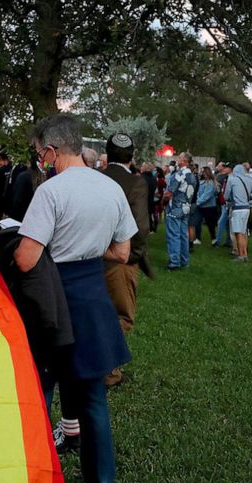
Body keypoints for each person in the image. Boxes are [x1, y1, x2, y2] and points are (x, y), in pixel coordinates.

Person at [14, 113, 135, 483]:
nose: (39, 160)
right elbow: (121, 251)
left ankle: (34, 480)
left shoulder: (50, 192)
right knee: (92, 398)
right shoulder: (111, 188)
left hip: (53, 299)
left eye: (38, 154)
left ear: (50, 151)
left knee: (40, 392)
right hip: (93, 298)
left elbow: (26, 259)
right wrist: (86, 248)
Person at [101, 132, 150, 387]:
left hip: (90, 257)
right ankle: (109, 372)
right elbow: (141, 227)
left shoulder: (95, 178)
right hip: (120, 260)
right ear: (132, 157)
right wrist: (133, 256)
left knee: (94, 312)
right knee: (120, 316)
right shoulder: (136, 183)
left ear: (107, 154)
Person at [164, 152, 196, 270]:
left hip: (175, 208)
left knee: (174, 235)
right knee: (183, 235)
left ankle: (174, 262)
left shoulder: (179, 174)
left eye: (180, 157)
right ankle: (184, 261)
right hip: (186, 207)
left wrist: (164, 201)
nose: (178, 159)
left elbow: (169, 192)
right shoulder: (193, 176)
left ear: (185, 161)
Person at [226, 161, 252, 263]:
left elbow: (226, 195)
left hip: (237, 208)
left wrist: (231, 198)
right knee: (243, 231)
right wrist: (249, 197)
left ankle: (241, 255)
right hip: (247, 208)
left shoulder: (232, 179)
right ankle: (245, 253)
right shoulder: (249, 179)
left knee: (238, 233)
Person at [192, 166, 219, 246]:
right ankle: (197, 238)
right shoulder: (200, 182)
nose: (201, 173)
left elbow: (207, 195)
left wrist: (198, 202)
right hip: (200, 206)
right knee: (197, 222)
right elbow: (197, 192)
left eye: (202, 171)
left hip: (209, 206)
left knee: (210, 224)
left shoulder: (211, 183)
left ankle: (213, 238)